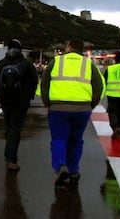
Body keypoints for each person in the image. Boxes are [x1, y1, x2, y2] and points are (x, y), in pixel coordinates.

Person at [40, 38, 105, 188]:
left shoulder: (56, 62)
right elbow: (98, 87)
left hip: (58, 109)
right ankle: (74, 170)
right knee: (76, 140)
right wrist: (91, 105)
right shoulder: (89, 64)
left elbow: (44, 83)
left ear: (68, 47)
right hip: (82, 110)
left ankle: (61, 167)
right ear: (81, 49)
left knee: (59, 139)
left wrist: (47, 104)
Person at [0, 39, 38, 171]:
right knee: (15, 128)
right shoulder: (26, 64)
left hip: (6, 101)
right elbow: (34, 81)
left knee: (9, 126)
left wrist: (1, 95)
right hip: (21, 102)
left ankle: (9, 153)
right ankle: (11, 158)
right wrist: (29, 96)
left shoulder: (1, 64)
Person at [103, 51, 120, 140]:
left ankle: (115, 127)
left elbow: (104, 81)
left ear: (115, 59)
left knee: (112, 112)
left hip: (112, 95)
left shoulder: (110, 69)